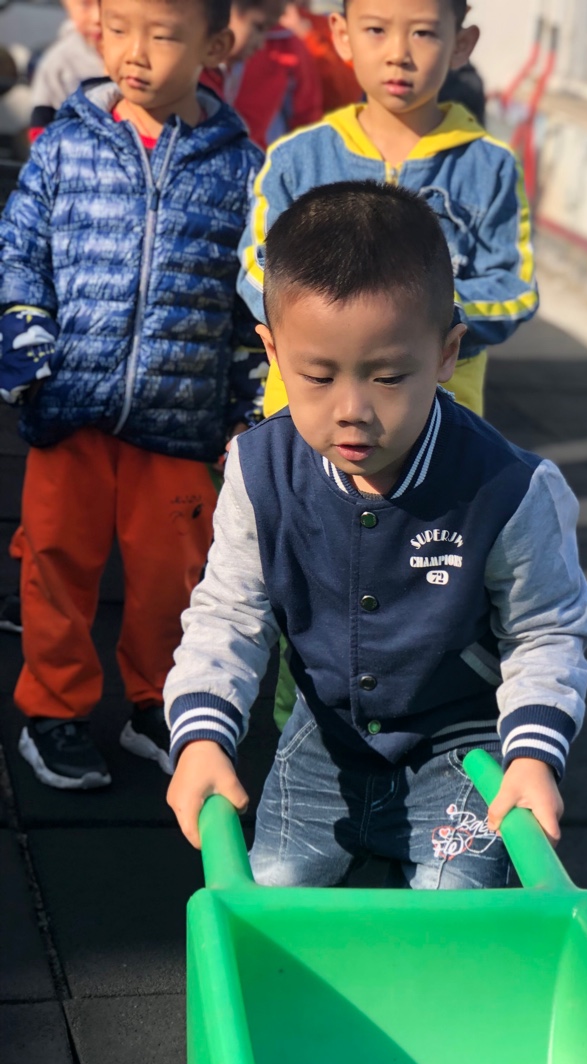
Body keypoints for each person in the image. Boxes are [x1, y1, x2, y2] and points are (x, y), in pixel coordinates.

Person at [164, 182, 587, 889]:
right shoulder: (260, 470)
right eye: (317, 376)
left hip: (460, 750)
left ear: (447, 353)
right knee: (274, 902)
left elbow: (545, 629)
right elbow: (229, 612)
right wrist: (203, 734)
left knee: (456, 922)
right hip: (325, 742)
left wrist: (532, 754)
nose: (353, 409)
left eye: (389, 376)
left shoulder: (509, 490)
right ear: (272, 350)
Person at [0, 0, 264, 790]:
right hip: (70, 405)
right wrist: (24, 337)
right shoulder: (67, 142)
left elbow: (251, 299)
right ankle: (53, 711)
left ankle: (157, 703)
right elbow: (19, 249)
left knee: (174, 579)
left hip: (182, 419)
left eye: (162, 34)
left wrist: (248, 406)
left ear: (216, 45)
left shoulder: (241, 167)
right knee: (55, 564)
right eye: (117, 28)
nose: (134, 52)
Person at [237, 0, 537, 423]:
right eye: (377, 30)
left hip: (439, 417)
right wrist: (326, 319)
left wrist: (424, 317)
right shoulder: (297, 159)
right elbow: (255, 267)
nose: (399, 53)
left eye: (423, 33)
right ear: (343, 35)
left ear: (461, 44)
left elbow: (514, 290)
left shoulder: (490, 167)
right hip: (306, 418)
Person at [222, 0, 322, 151]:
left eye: (266, 29)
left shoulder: (289, 46)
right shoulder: (195, 56)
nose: (261, 43)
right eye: (259, 27)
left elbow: (307, 117)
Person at [28, 0, 104, 137]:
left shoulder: (136, 54)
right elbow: (41, 134)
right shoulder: (57, 64)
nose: (97, 17)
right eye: (85, 4)